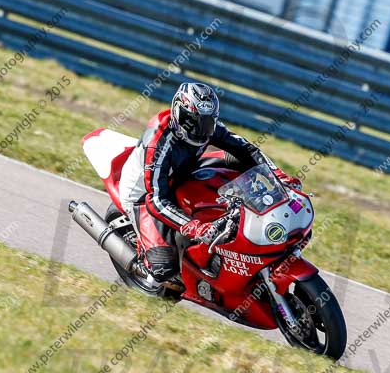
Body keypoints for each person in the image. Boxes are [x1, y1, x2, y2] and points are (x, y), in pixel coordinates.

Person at [118, 82, 300, 283]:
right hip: (144, 195)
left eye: (206, 123)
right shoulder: (159, 143)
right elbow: (157, 200)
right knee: (163, 269)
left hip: (184, 171)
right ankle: (144, 259)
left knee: (237, 159)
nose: (200, 130)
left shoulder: (208, 128)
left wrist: (278, 176)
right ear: (178, 112)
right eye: (193, 122)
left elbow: (247, 150)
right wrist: (195, 227)